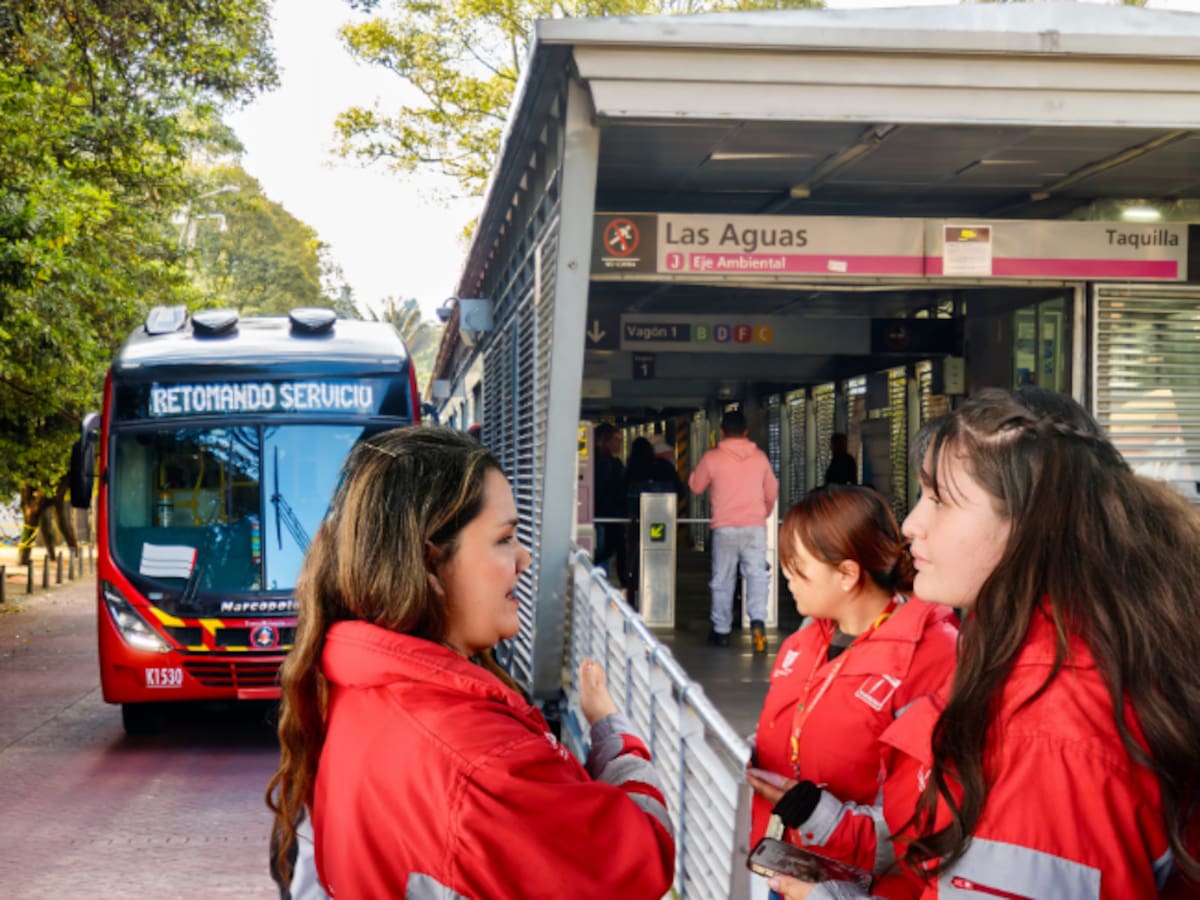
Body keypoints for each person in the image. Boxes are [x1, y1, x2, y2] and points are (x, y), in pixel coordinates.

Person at [761, 388, 1200, 900]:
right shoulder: (1058, 655)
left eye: (940, 500)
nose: (911, 524)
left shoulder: (1044, 735)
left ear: (1029, 523)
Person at [266, 426, 675, 899]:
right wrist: (613, 735)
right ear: (430, 565)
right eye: (504, 539)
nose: (523, 559)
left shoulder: (352, 690)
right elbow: (642, 859)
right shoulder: (481, 764)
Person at [745, 485, 959, 896]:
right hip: (791, 869)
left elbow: (929, 824)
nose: (786, 579)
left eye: (798, 569)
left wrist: (818, 815)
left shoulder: (931, 658)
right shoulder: (808, 640)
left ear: (847, 573)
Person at [689, 408, 779, 651]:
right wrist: (763, 512)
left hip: (725, 528)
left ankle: (721, 631)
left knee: (723, 579)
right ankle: (758, 622)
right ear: (746, 432)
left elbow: (696, 486)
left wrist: (701, 468)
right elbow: (772, 491)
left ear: (721, 432)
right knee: (757, 575)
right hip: (754, 526)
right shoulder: (760, 458)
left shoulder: (713, 458)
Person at [622, 435, 686, 610]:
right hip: (663, 520)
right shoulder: (665, 467)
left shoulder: (631, 469)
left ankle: (633, 596)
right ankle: (660, 597)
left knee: (635, 560)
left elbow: (622, 493)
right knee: (661, 557)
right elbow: (680, 491)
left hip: (637, 522)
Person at [592, 423, 627, 585]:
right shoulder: (610, 464)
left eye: (620, 439)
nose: (619, 443)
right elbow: (610, 491)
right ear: (604, 441)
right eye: (615, 439)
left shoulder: (595, 462)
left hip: (600, 517)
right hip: (608, 518)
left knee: (600, 555)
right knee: (603, 556)